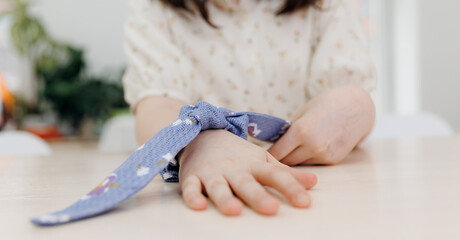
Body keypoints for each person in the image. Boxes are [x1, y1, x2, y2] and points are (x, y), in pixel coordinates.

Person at [122, 0, 376, 216]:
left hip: (326, 199)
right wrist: (196, 143)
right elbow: (155, 105)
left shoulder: (328, 5)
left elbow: (351, 108)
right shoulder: (155, 9)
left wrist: (359, 103)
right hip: (209, 208)